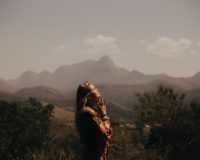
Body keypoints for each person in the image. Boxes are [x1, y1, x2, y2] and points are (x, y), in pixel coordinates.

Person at [75, 82, 112, 160]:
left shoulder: (85, 112)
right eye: (94, 88)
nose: (97, 89)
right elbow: (106, 135)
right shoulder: (89, 114)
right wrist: (104, 115)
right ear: (89, 96)